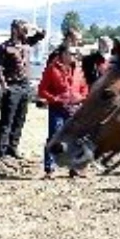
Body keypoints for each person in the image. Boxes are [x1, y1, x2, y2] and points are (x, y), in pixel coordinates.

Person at [0, 19, 46, 160]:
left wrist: (34, 26)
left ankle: (13, 147)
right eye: (23, 28)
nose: (25, 31)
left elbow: (41, 35)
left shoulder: (26, 44)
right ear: (15, 29)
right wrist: (4, 85)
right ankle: (1, 150)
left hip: (25, 85)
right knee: (7, 119)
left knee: (20, 119)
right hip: (12, 85)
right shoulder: (4, 47)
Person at [38, 44, 90, 178]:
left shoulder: (78, 69)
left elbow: (84, 87)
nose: (73, 56)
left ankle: (75, 168)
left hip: (75, 109)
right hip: (57, 108)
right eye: (70, 53)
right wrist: (55, 99)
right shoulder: (52, 69)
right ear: (62, 54)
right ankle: (50, 168)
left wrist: (81, 98)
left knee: (76, 138)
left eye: (75, 53)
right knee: (55, 137)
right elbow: (42, 90)